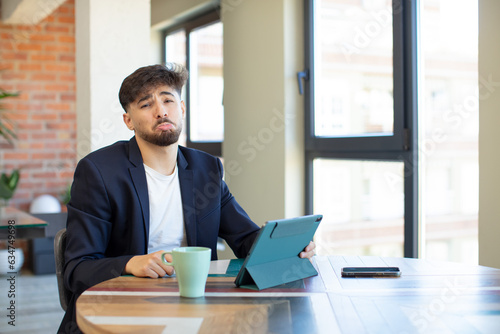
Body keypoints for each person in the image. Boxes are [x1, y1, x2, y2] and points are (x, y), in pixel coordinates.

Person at [58, 64, 316, 333]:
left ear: (181, 109)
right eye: (146, 105)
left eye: (168, 100)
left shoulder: (207, 169)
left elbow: (245, 239)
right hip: (125, 309)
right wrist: (130, 263)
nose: (161, 111)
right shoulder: (99, 171)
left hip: (196, 305)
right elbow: (77, 269)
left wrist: (288, 247)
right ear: (129, 121)